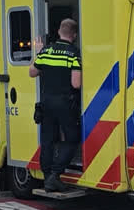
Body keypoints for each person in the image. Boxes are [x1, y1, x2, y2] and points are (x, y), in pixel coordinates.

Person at [29, 18, 82, 192]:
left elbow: (32, 72)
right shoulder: (74, 53)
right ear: (74, 35)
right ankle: (55, 175)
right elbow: (76, 84)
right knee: (72, 138)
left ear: (59, 31)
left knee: (48, 140)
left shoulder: (46, 50)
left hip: (46, 103)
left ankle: (46, 177)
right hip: (65, 103)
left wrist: (37, 53)